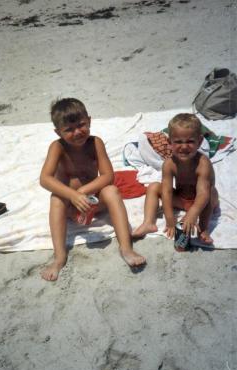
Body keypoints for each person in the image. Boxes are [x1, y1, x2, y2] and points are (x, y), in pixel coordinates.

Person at [40, 98, 146, 281]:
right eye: (69, 129)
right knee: (56, 199)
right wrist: (72, 196)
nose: (77, 132)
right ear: (58, 132)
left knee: (111, 190)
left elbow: (107, 175)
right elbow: (45, 179)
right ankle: (59, 257)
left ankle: (126, 247)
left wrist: (82, 192)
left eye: (81, 125)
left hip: (93, 202)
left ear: (89, 121)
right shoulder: (57, 147)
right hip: (70, 205)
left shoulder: (96, 143)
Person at [132, 113, 219, 244]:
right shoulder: (169, 164)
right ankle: (149, 222)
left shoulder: (203, 164)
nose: (184, 146)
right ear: (170, 142)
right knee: (154, 187)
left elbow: (203, 193)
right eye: (178, 141)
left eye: (190, 141)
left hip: (202, 202)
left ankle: (203, 229)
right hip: (181, 199)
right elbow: (166, 192)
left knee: (211, 192)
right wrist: (170, 219)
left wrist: (193, 213)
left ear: (200, 142)